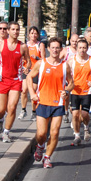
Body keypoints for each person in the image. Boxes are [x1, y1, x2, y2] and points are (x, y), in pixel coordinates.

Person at [28, 37, 74, 168]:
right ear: (48, 49)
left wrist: (67, 91)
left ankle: (47, 157)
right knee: (41, 134)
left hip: (58, 103)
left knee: (54, 132)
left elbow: (71, 83)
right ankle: (40, 145)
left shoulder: (65, 65)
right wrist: (32, 93)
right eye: (52, 47)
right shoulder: (41, 63)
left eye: (57, 48)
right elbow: (29, 77)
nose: (55, 50)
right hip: (42, 102)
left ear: (61, 49)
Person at [0, 21, 30, 143]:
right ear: (8, 31)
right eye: (13, 29)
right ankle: (0, 121)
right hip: (2, 80)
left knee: (11, 108)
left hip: (16, 81)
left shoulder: (23, 46)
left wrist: (27, 67)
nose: (15, 32)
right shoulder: (1, 44)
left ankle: (6, 133)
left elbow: (28, 61)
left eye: (17, 30)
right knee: (0, 110)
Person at [69, 38, 91, 145]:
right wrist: (68, 83)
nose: (82, 50)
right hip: (75, 91)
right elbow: (66, 74)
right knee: (75, 114)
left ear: (87, 48)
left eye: (84, 48)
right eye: (80, 48)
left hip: (87, 91)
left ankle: (86, 127)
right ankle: (77, 135)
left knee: (84, 114)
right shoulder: (71, 60)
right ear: (76, 48)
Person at [19, 26, 46, 121]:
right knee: (24, 90)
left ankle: (34, 112)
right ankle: (23, 110)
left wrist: (37, 58)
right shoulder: (25, 45)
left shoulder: (40, 45)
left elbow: (44, 59)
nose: (33, 35)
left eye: (35, 33)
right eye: (31, 33)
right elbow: (20, 58)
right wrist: (23, 66)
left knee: (33, 91)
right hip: (26, 70)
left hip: (36, 71)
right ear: (28, 34)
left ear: (38, 35)